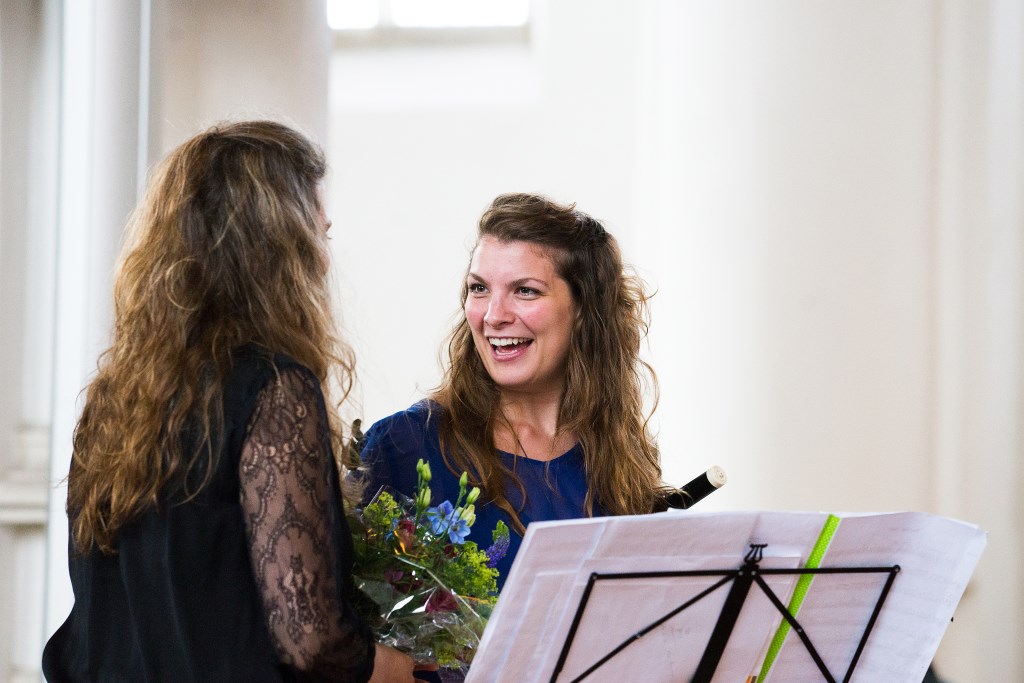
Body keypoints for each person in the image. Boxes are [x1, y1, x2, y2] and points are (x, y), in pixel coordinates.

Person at [42, 121, 415, 682]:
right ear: (280, 248)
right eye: (320, 236)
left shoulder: (117, 398)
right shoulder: (275, 388)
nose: (324, 261)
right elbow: (309, 640)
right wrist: (390, 668)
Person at [358, 192, 664, 588]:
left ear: (584, 309)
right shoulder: (403, 446)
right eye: (479, 288)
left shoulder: (617, 455)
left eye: (525, 290)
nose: (493, 316)